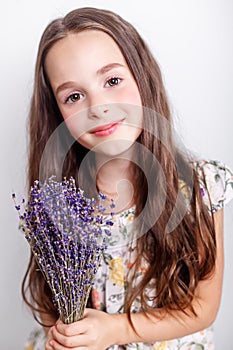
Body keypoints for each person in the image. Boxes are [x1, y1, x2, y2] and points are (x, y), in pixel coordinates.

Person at [22, 7, 233, 350]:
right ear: (57, 112)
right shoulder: (55, 205)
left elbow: (202, 308)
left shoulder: (202, 187)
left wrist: (116, 330)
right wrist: (65, 335)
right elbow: (50, 303)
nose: (98, 106)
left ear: (142, 77)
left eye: (112, 81)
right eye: (74, 96)